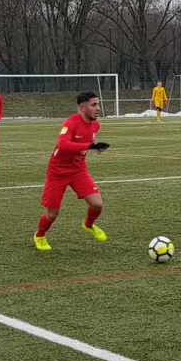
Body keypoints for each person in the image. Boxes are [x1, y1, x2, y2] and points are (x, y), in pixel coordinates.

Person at [34, 91, 111, 251]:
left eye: (98, 104)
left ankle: (88, 225)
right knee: (52, 214)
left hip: (78, 170)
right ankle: (40, 236)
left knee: (97, 204)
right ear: (82, 108)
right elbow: (62, 144)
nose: (98, 108)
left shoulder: (95, 125)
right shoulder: (71, 123)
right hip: (58, 172)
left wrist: (92, 147)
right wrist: (89, 146)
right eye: (94, 105)